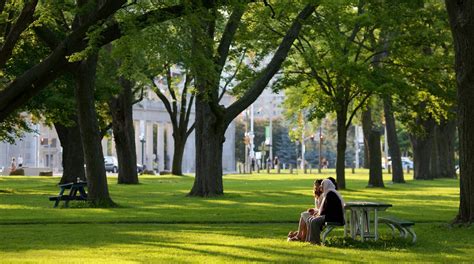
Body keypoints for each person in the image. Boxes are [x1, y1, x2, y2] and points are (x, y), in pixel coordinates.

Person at [306, 178, 345, 245]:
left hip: (334, 217)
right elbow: (325, 208)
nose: (321, 187)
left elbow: (328, 209)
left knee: (314, 221)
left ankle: (316, 241)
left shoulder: (331, 194)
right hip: (330, 215)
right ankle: (311, 240)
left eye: (322, 185)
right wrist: (318, 214)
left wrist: (318, 214)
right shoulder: (328, 193)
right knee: (311, 219)